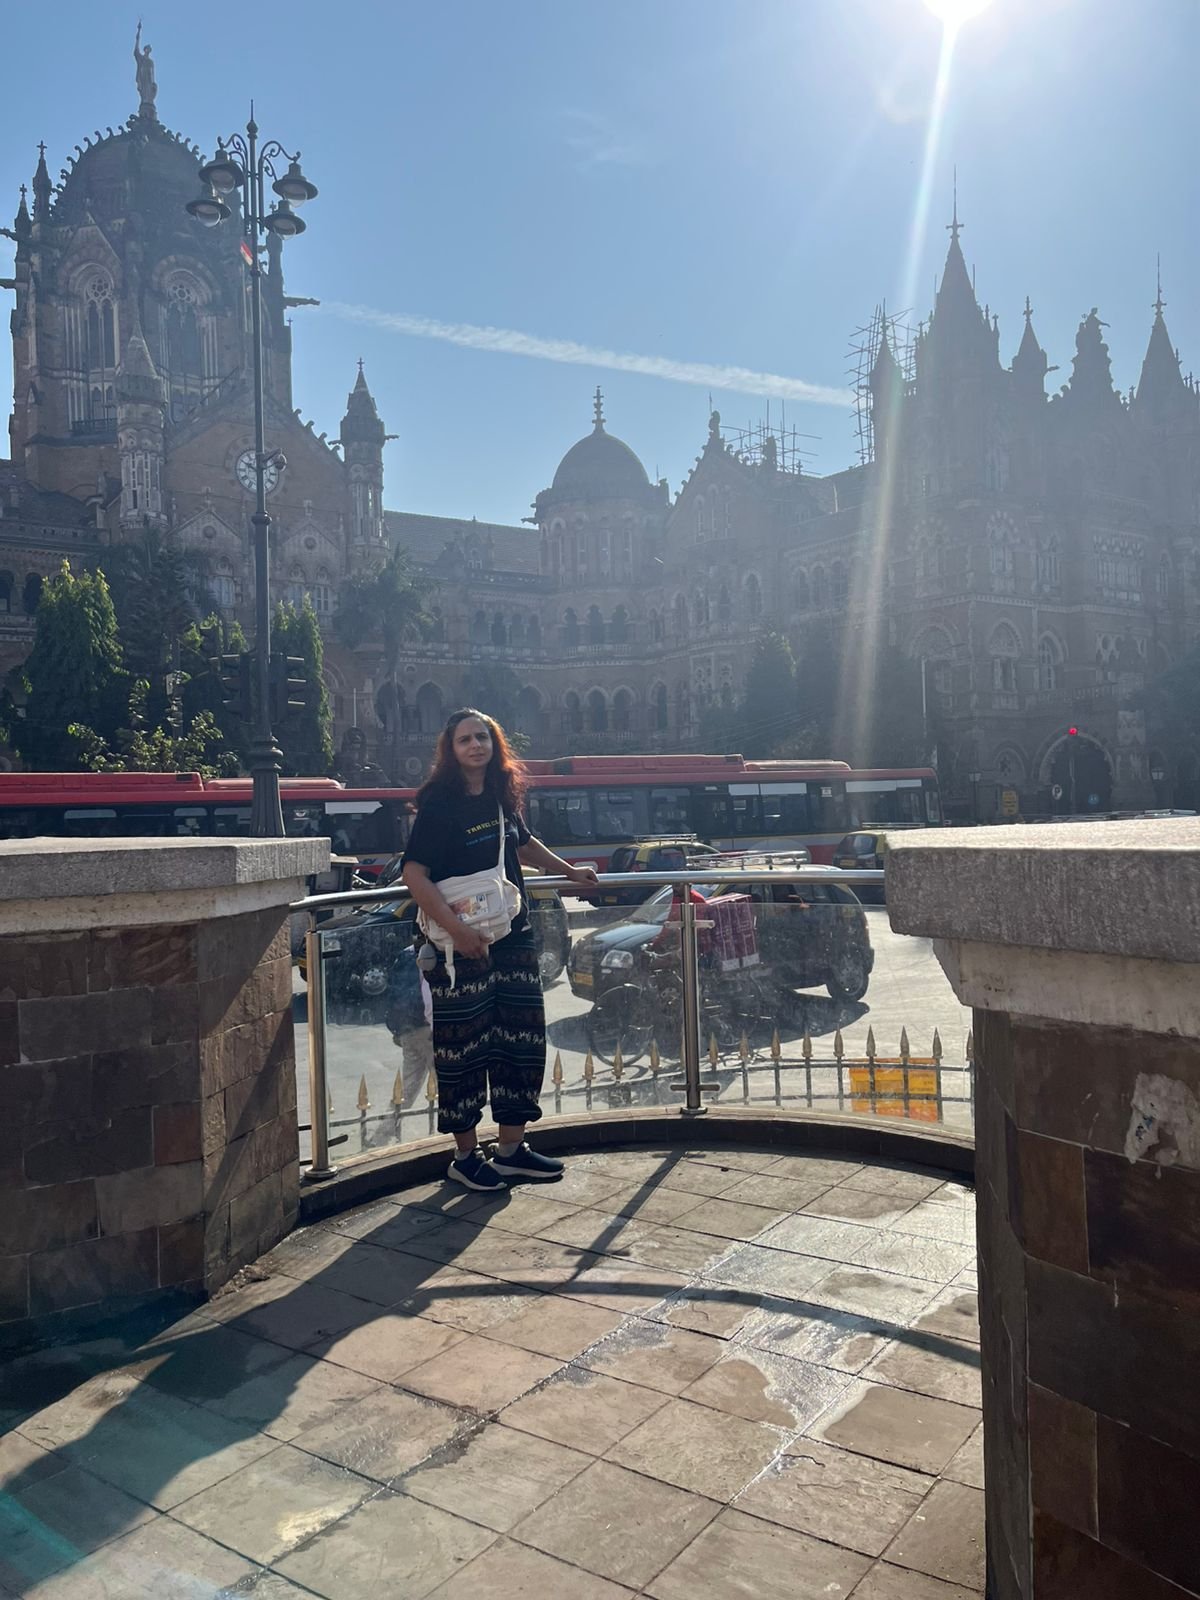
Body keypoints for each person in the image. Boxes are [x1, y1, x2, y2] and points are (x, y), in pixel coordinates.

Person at [401, 708, 598, 1192]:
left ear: (495, 745)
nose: (475, 746)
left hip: (513, 935)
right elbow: (414, 875)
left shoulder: (499, 797)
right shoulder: (441, 805)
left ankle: (511, 1150)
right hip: (460, 946)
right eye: (465, 739)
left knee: (522, 1039)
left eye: (483, 737)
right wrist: (460, 933)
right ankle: (465, 1156)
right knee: (464, 1047)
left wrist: (571, 873)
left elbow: (524, 846)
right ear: (450, 749)